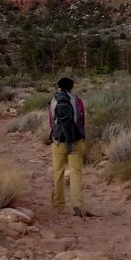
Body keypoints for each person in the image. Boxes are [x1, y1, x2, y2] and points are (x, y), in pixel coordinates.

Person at [46, 77, 89, 217]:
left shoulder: (53, 101)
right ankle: (77, 204)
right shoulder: (77, 100)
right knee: (75, 172)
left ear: (58, 87)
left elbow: (51, 122)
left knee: (58, 172)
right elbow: (81, 120)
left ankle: (58, 206)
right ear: (72, 87)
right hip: (76, 140)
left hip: (58, 141)